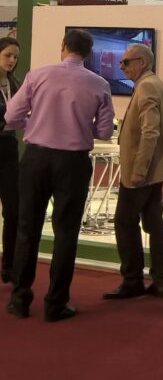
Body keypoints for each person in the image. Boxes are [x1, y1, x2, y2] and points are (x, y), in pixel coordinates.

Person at [5, 29, 114, 321]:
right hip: (73, 163)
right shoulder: (100, 84)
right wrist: (80, 126)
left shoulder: (37, 75)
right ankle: (56, 303)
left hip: (36, 158)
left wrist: (33, 124)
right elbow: (105, 131)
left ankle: (20, 300)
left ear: (63, 46)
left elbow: (11, 116)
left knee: (27, 229)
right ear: (89, 53)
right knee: (66, 233)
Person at [104, 43, 163, 300]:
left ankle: (132, 281)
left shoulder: (147, 86)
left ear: (142, 62)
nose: (121, 66)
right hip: (154, 170)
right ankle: (160, 280)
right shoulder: (155, 84)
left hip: (142, 171)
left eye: (126, 62)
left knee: (124, 222)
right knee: (153, 221)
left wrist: (139, 170)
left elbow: (150, 132)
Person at [0, 37, 21, 284]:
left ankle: (9, 265)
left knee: (13, 210)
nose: (12, 60)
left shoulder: (15, 83)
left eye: (15, 57)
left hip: (9, 149)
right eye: (7, 55)